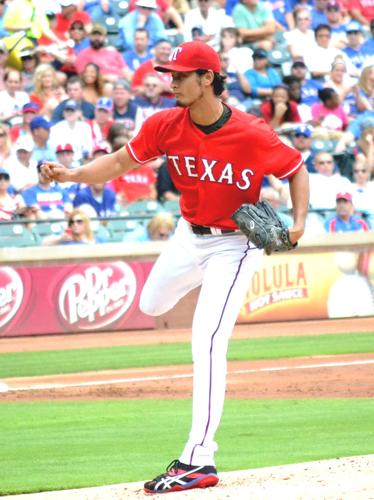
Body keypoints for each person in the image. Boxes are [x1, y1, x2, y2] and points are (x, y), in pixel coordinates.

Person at [41, 40, 309, 495]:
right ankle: (210, 292)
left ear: (208, 78)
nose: (173, 81)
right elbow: (121, 162)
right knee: (152, 301)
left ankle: (198, 459)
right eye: (171, 73)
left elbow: (296, 168)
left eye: (182, 74)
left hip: (234, 245)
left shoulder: (250, 131)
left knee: (206, 341)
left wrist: (299, 224)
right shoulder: (165, 124)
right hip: (189, 235)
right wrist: (71, 175)